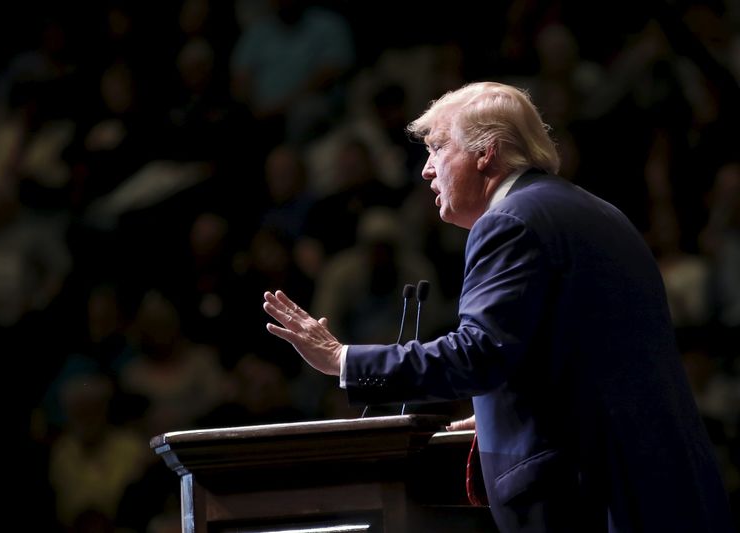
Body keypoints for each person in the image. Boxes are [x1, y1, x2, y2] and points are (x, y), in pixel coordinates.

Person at [262, 81, 734, 532]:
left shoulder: (509, 221)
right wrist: (500, 413)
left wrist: (342, 359)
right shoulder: (598, 213)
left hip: (587, 499)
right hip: (657, 485)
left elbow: (478, 354)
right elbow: (585, 356)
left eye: (438, 148)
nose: (426, 169)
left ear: (486, 152)